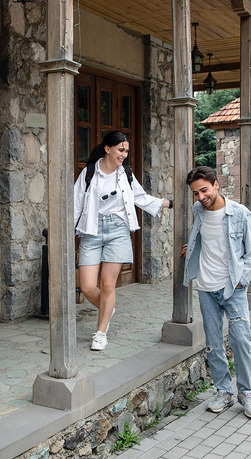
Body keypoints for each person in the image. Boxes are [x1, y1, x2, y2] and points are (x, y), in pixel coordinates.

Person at [74, 131, 172, 351]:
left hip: (118, 230)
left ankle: (100, 333)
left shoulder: (125, 173)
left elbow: (140, 197)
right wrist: (66, 231)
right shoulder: (89, 173)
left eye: (126, 151)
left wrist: (167, 203)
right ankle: (108, 308)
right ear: (107, 148)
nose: (124, 155)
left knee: (108, 284)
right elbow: (75, 203)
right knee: (88, 287)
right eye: (120, 150)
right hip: (92, 230)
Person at [181, 166, 251, 418]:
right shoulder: (198, 211)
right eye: (195, 193)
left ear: (217, 185)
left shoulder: (240, 214)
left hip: (232, 288)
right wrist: (192, 246)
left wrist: (241, 281)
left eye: (204, 190)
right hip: (206, 288)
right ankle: (223, 392)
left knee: (240, 341)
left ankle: (246, 393)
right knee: (214, 345)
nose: (200, 197)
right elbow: (205, 237)